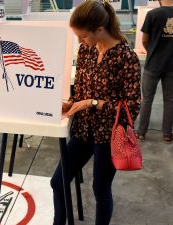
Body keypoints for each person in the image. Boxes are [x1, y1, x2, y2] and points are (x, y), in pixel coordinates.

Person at [51, 1, 141, 225]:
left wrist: (93, 103)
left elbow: (132, 106)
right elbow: (80, 90)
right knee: (58, 181)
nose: (80, 41)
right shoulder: (86, 50)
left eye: (83, 36)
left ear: (100, 29)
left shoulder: (125, 57)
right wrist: (69, 104)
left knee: (100, 188)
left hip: (110, 135)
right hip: (82, 129)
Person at [137, 0, 173, 143]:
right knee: (169, 100)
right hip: (171, 64)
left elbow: (145, 40)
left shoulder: (152, 14)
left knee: (147, 99)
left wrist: (151, 51)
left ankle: (141, 133)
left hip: (153, 64)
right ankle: (167, 134)